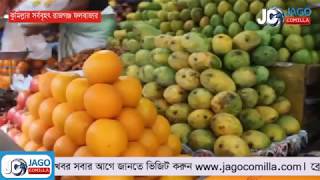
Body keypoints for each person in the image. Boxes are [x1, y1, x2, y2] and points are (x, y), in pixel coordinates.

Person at [1, 0, 117, 61]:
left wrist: (45, 22)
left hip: (94, 24)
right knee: (73, 71)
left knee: (95, 72)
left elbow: (80, 4)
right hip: (76, 24)